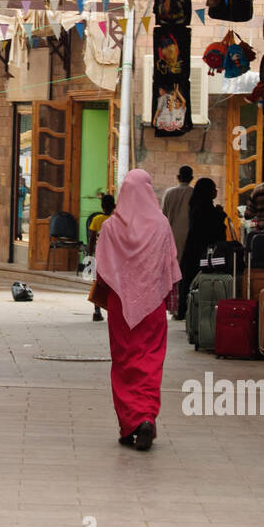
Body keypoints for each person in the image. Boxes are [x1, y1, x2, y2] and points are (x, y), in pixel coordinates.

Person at [93, 169, 180, 451]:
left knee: (124, 361)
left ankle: (129, 423)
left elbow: (103, 271)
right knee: (150, 361)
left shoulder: (110, 227)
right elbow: (169, 266)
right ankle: (146, 418)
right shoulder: (161, 225)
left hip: (121, 304)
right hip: (152, 304)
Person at [176, 177, 227, 322]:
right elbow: (211, 228)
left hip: (193, 249)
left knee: (189, 280)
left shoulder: (196, 205)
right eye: (213, 189)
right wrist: (220, 215)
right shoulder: (203, 208)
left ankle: (186, 310)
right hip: (202, 251)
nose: (216, 191)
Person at [86, 193, 116, 321]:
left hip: (100, 255)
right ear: (114, 205)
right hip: (114, 256)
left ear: (102, 206)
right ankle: (113, 311)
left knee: (97, 282)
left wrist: (89, 255)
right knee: (113, 284)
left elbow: (92, 239)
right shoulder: (117, 219)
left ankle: (97, 311)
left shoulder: (97, 219)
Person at [162, 165, 194, 263]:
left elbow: (163, 215)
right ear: (191, 178)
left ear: (178, 177)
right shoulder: (193, 192)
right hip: (188, 235)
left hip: (171, 234)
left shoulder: (169, 193)